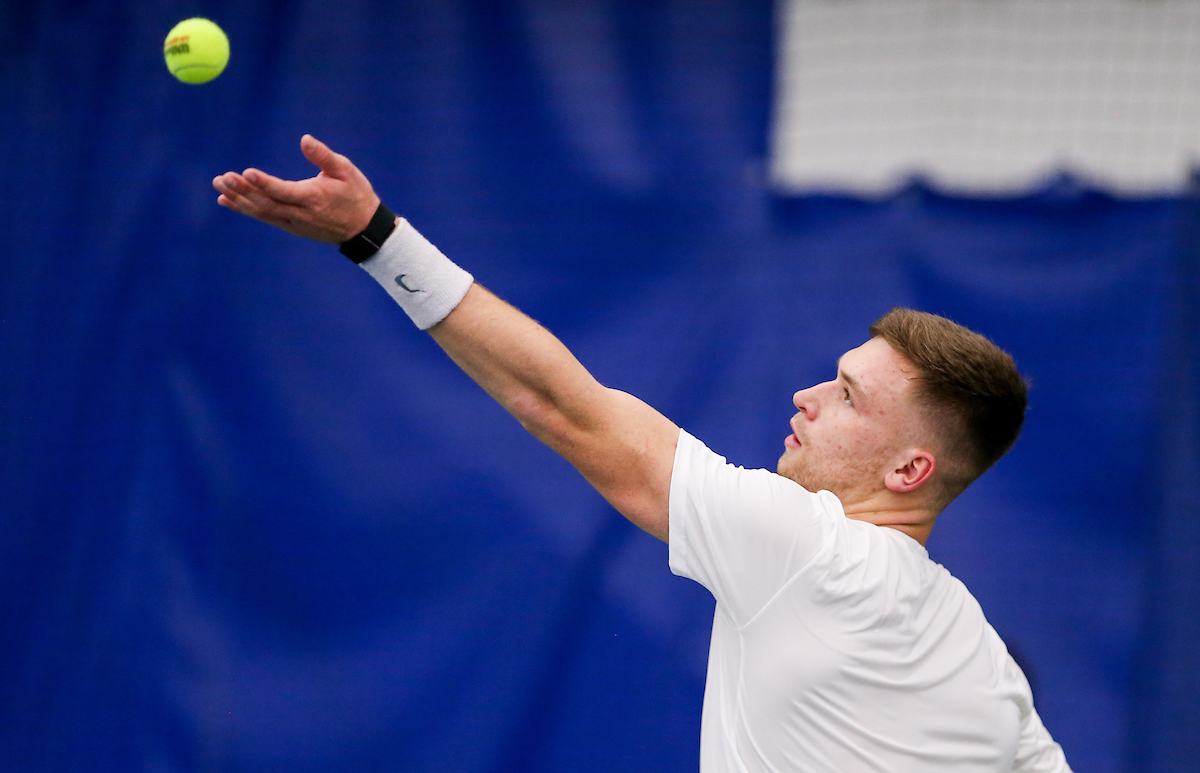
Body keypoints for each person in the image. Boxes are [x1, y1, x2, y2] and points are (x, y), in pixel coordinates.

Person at [212, 135, 1072, 773]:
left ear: (909, 472)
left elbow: (556, 404)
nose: (808, 396)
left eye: (848, 396)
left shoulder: (809, 550)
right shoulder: (979, 655)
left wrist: (374, 235)